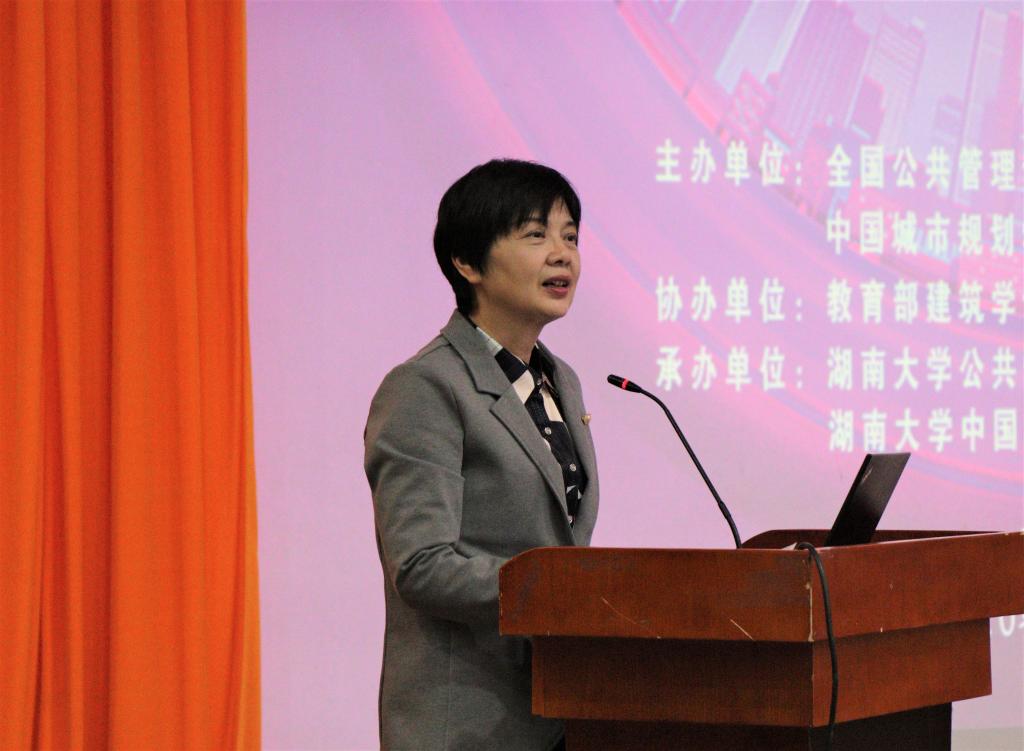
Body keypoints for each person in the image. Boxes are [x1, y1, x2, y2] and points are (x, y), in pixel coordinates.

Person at [364, 159, 599, 750]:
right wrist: (560, 594)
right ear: (467, 263)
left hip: (558, 714)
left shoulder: (561, 382)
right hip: (465, 726)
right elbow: (422, 564)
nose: (563, 255)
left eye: (570, 236)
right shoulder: (427, 386)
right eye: (536, 235)